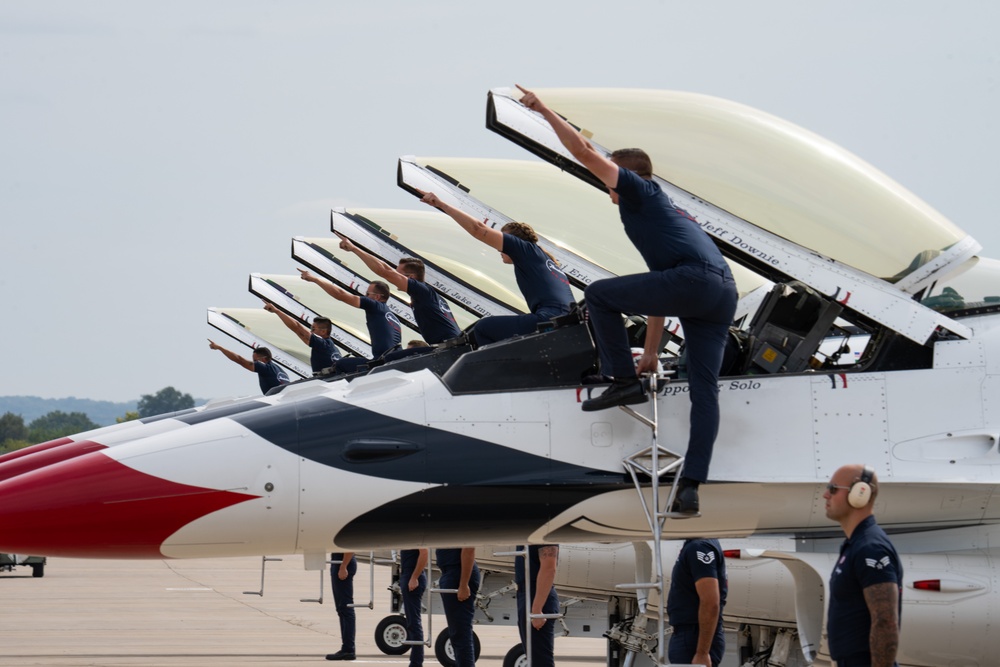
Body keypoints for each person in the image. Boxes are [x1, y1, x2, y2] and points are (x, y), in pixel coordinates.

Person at [517, 85, 739, 514]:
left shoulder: (642, 192)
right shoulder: (664, 214)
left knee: (599, 295)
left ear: (631, 174)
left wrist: (543, 109)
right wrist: (650, 354)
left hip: (696, 281)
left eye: (610, 173)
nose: (604, 180)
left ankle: (620, 381)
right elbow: (661, 287)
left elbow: (583, 152)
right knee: (703, 389)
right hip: (718, 292)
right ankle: (691, 485)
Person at [418, 190, 573, 346]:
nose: (498, 249)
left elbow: (478, 229)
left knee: (484, 328)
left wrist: (440, 204)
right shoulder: (542, 259)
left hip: (549, 318)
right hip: (563, 319)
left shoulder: (525, 249)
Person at [824, 465, 902, 667]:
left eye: (833, 488)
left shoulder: (871, 548)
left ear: (860, 493)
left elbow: (886, 621)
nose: (825, 495)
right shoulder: (855, 545)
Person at [338, 237, 461, 350]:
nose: (395, 278)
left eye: (399, 275)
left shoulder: (421, 290)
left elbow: (384, 271)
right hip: (450, 344)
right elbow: (387, 269)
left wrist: (354, 249)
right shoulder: (425, 293)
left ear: (411, 277)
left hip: (450, 346)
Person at [298, 268, 401, 373]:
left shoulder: (374, 305)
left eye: (367, 294)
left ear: (377, 297)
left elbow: (340, 294)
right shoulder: (393, 317)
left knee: (340, 364)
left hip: (381, 361)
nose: (365, 296)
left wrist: (315, 279)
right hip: (394, 358)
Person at [666, 538, 728, 667]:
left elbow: (710, 603)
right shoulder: (697, 545)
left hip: (693, 637)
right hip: (689, 635)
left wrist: (702, 653)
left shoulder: (699, 547)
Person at [262, 302, 340, 374]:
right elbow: (297, 330)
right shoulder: (331, 347)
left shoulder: (322, 344)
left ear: (323, 332)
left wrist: (276, 311)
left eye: (313, 329)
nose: (311, 331)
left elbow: (298, 327)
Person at [513, 545, 559, 667]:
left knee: (541, 661)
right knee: (534, 658)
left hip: (537, 597)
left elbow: (549, 569)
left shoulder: (542, 531)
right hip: (526, 594)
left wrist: (537, 609)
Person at [435, 547, 479, 667]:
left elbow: (469, 549)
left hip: (458, 574)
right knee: (457, 634)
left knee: (461, 634)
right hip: (450, 573)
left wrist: (463, 584)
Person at [207, 340, 289, 395]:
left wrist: (220, 348)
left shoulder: (265, 368)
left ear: (263, 358)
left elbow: (240, 360)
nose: (254, 362)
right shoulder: (281, 370)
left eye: (255, 360)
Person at [399, 548, 429, 667]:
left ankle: (416, 663)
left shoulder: (417, 534)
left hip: (412, 576)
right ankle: (416, 661)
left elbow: (424, 553)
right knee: (412, 621)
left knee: (414, 622)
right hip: (408, 574)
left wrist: (414, 577)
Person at [327, 551, 357, 661]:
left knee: (346, 608)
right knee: (341, 609)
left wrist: (343, 565)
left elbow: (350, 547)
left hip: (343, 562)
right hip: (338, 562)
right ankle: (346, 647)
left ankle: (349, 649)